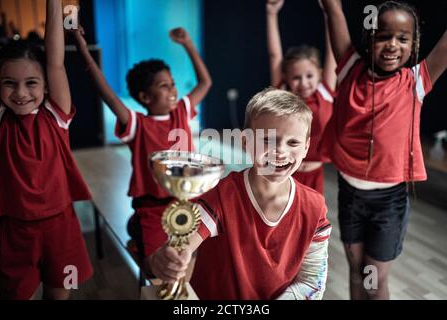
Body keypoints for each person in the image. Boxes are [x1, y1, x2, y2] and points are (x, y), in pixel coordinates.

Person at [149, 88, 332, 300]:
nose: (280, 151)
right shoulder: (223, 195)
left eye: (293, 142)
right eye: (267, 139)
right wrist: (166, 260)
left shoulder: (315, 207)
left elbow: (312, 281)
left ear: (306, 147)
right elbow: (186, 241)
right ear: (245, 141)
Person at [320, 0, 447, 299]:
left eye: (402, 38)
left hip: (388, 203)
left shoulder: (415, 81)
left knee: (373, 279)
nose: (392, 45)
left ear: (413, 43)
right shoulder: (349, 67)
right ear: (368, 38)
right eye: (383, 36)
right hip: (350, 194)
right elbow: (333, 10)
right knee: (356, 272)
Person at [72, 26, 212, 274]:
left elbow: (205, 82)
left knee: (194, 257)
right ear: (145, 97)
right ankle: (138, 231)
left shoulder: (181, 110)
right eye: (163, 85)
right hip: (153, 207)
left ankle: (136, 230)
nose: (172, 90)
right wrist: (83, 51)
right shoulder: (137, 124)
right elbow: (107, 94)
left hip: (187, 202)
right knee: (153, 269)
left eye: (172, 84)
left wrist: (189, 44)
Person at [0, 0, 93, 300]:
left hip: (61, 227)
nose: (21, 93)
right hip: (15, 230)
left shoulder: (56, 115)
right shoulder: (1, 119)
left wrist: (54, 3)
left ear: (46, 86)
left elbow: (55, 62)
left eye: (31, 83)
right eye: (9, 84)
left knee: (60, 292)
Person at [266, 0, 336, 194]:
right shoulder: (282, 93)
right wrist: (271, 13)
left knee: (311, 223)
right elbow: (274, 55)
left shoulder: (325, 91)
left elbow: (334, 50)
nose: (304, 83)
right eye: (296, 77)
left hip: (314, 175)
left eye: (309, 76)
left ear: (320, 74)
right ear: (287, 77)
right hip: (283, 172)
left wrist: (330, 12)